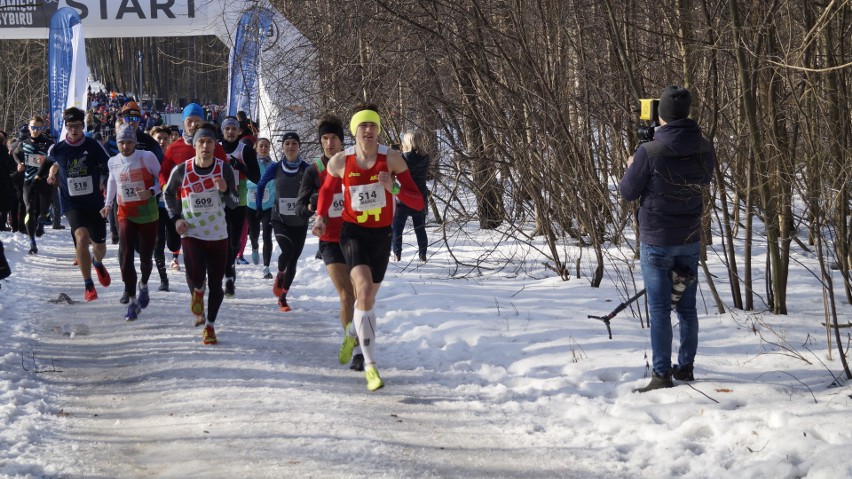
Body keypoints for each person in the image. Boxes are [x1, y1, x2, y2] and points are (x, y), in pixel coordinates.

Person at [312, 103, 424, 391]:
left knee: (367, 301)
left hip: (381, 235)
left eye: (373, 125)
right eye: (363, 125)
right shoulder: (341, 161)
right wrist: (321, 217)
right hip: (353, 234)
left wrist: (395, 189)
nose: (369, 130)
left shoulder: (393, 159)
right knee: (361, 291)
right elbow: (325, 190)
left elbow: (418, 201)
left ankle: (352, 333)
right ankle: (371, 366)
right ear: (355, 131)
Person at [618, 85, 715, 392]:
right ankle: (685, 368)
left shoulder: (649, 151)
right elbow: (705, 177)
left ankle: (662, 375)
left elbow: (627, 192)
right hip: (688, 236)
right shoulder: (704, 146)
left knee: (659, 309)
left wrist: (634, 164)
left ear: (660, 115)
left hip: (657, 239)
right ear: (686, 113)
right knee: (687, 309)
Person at [163, 123, 239, 344]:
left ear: (215, 145)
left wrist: (225, 190)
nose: (205, 146)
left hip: (218, 235)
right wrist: (177, 218)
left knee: (216, 286)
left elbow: (234, 203)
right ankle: (197, 291)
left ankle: (210, 326)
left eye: (210, 142)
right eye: (201, 142)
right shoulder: (183, 169)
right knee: (197, 276)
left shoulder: (223, 168)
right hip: (192, 232)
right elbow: (167, 195)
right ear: (195, 145)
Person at [296, 114, 360, 370]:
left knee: (360, 295)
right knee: (346, 295)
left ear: (342, 141)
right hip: (330, 241)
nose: (329, 143)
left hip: (358, 236)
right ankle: (353, 345)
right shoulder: (314, 170)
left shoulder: (355, 164)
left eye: (334, 138)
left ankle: (358, 341)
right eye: (325, 138)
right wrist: (313, 202)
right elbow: (301, 208)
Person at [45, 107, 112, 302]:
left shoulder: (93, 145)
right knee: (81, 237)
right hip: (71, 201)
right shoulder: (57, 148)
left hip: (94, 202)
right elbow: (52, 161)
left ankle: (97, 263)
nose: (74, 130)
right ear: (65, 127)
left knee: (99, 246)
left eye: (78, 126)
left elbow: (109, 165)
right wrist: (48, 175)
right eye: (70, 126)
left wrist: (104, 179)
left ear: (83, 126)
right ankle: (88, 285)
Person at [101, 124, 161, 320]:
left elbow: (162, 179)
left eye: (128, 142)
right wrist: (108, 203)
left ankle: (143, 284)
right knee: (126, 257)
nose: (125, 146)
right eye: (121, 142)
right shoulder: (113, 161)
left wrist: (151, 191)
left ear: (135, 142)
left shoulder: (147, 157)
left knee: (145, 258)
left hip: (148, 213)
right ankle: (133, 301)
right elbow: (112, 181)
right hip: (125, 212)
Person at [159, 104, 227, 275]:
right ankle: (178, 256)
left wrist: (225, 187)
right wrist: (166, 186)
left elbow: (226, 170)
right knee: (174, 241)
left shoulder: (215, 147)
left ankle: (213, 270)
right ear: (183, 123)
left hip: (213, 202)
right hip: (183, 200)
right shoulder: (175, 147)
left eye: (197, 121)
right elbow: (163, 173)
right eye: (189, 121)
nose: (193, 125)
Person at [255, 132, 310, 312]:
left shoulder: (306, 169)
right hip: (279, 218)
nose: (291, 146)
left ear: (299, 146)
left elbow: (318, 187)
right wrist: (258, 207)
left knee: (293, 260)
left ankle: (283, 297)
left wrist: (313, 204)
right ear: (283, 146)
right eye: (287, 143)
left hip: (300, 220)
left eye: (294, 143)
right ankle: (280, 272)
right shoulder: (276, 168)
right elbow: (261, 184)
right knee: (288, 250)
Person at [219, 116, 261, 297]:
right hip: (219, 200)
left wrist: (240, 167)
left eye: (233, 129)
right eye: (227, 129)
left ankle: (230, 265)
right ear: (223, 131)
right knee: (222, 238)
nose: (230, 132)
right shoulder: (216, 148)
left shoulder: (245, 150)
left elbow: (257, 177)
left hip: (239, 200)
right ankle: (226, 272)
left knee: (234, 241)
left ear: (238, 131)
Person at [12, 116, 54, 254]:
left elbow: (54, 160)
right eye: (33, 127)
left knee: (43, 210)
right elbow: (16, 154)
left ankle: (42, 219)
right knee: (29, 209)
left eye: (38, 128)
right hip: (29, 181)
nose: (35, 130)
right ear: (29, 128)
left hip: (44, 182)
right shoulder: (23, 143)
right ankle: (32, 243)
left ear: (42, 128)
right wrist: (20, 164)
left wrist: (52, 173)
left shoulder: (48, 143)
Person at [391, 130, 430, 262]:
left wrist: (394, 152)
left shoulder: (403, 157)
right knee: (420, 228)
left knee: (397, 228)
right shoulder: (426, 157)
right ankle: (422, 254)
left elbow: (397, 166)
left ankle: (397, 254)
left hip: (404, 195)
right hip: (420, 195)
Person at [246, 137, 275, 278]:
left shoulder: (273, 165)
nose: (263, 149)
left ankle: (266, 267)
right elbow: (246, 182)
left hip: (268, 205)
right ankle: (254, 246)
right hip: (252, 205)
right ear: (256, 148)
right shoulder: (251, 164)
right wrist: (259, 185)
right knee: (254, 233)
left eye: (266, 147)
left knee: (267, 235)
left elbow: (275, 183)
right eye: (261, 146)